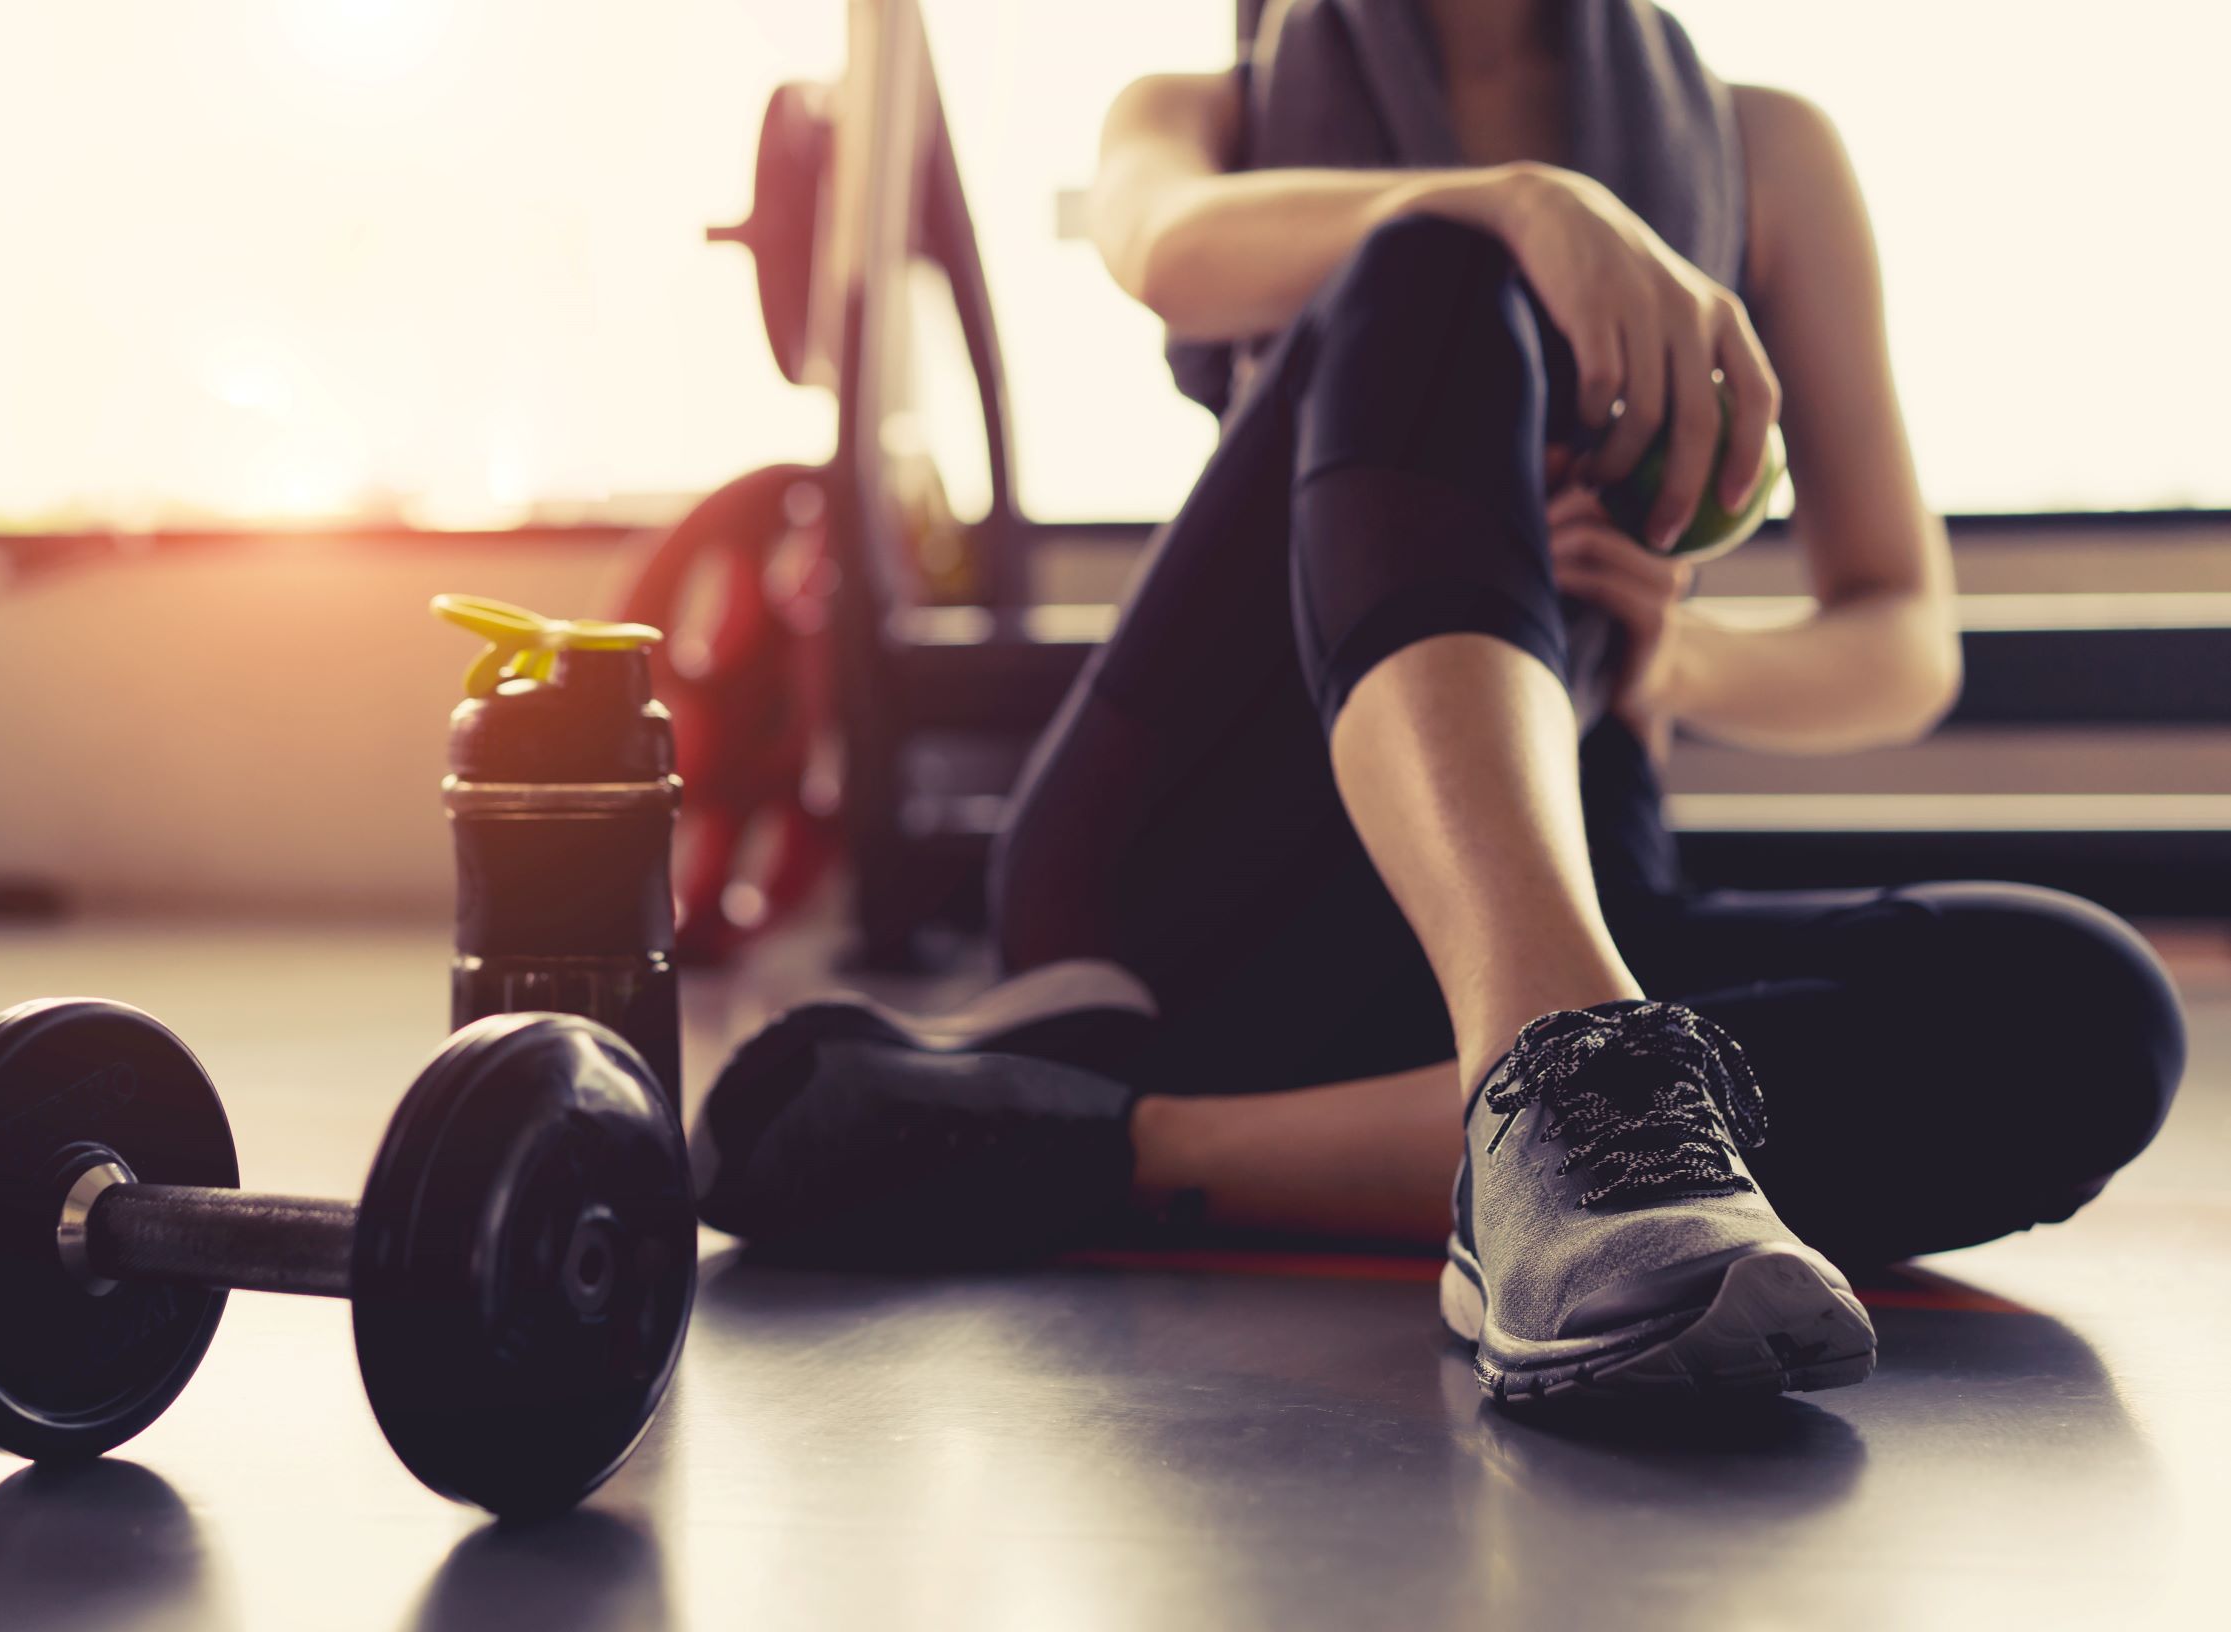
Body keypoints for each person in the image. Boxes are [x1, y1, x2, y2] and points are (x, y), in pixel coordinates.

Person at [689, 0, 2185, 1402]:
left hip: (1571, 861)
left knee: (2089, 1011)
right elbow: (1163, 248)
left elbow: (1901, 639)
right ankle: (1565, 1088)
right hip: (1200, 876)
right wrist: (1524, 200)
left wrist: (1682, 662)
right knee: (1437, 254)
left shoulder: (1766, 149)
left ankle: (1123, 1143)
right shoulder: (1200, 108)